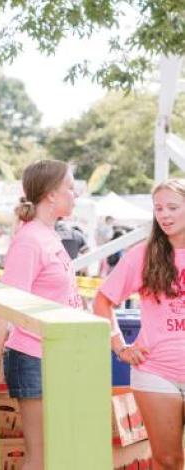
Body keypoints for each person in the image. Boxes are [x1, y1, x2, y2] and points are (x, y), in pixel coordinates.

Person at [92, 178, 185, 470]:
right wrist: (120, 346)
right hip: (156, 371)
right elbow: (102, 300)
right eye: (159, 208)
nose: (164, 215)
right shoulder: (142, 255)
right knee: (167, 460)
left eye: (173, 207)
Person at [0, 159, 82, 470]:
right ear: (51, 195)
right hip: (33, 356)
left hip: (57, 354)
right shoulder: (29, 240)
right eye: (70, 188)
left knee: (58, 452)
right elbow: (5, 305)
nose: (75, 194)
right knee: (40, 458)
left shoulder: (49, 234)